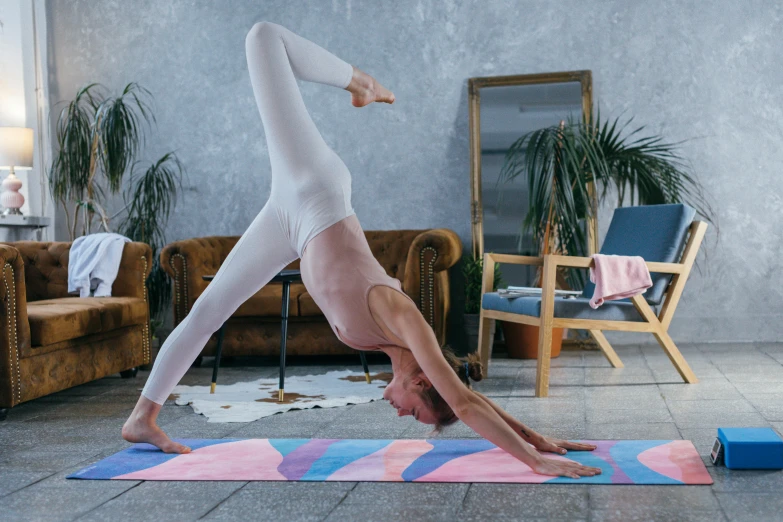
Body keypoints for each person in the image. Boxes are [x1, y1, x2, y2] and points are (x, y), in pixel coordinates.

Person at [122, 21, 601, 480]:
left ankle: (143, 417)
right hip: (316, 193)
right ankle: (361, 82)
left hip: (293, 224)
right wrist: (533, 462)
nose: (401, 416)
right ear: (419, 384)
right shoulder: (403, 318)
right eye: (415, 413)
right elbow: (465, 404)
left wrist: (536, 438)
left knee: (208, 310)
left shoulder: (396, 346)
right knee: (264, 37)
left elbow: (465, 395)